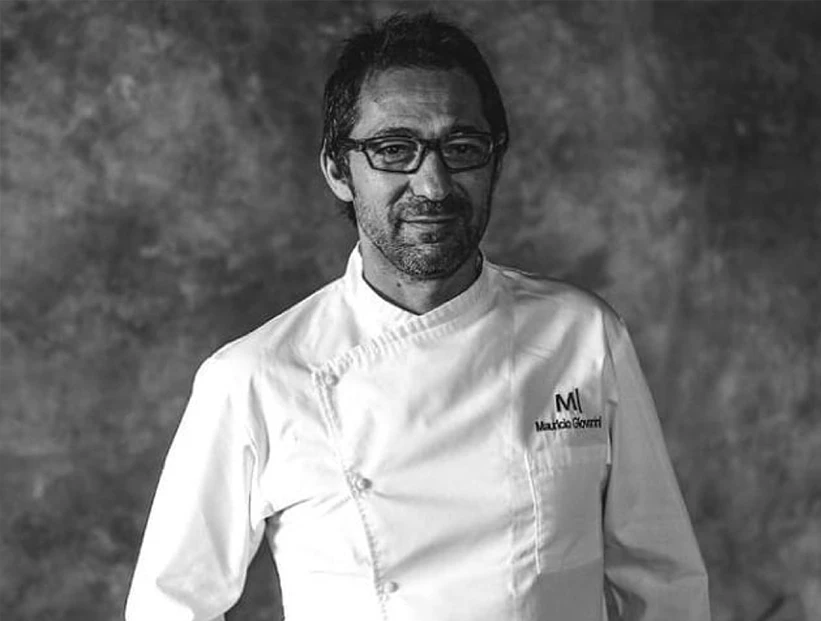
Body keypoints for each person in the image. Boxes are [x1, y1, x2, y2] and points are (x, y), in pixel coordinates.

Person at [125, 12, 710, 621]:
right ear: (338, 171)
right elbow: (168, 607)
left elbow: (664, 586)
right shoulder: (254, 377)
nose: (433, 185)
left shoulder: (582, 336)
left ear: (495, 161)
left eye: (461, 149)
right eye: (394, 150)